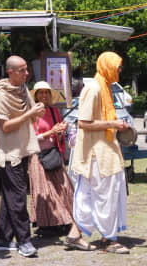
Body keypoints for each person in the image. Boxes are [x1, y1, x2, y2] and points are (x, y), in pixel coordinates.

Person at [71, 51, 130, 254]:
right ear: (107, 66)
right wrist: (113, 123)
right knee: (106, 196)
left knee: (90, 195)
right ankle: (109, 239)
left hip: (104, 152)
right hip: (97, 156)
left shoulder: (104, 87)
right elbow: (83, 122)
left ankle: (74, 234)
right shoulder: (94, 88)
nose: (120, 71)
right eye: (117, 66)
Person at [29, 81, 95, 250]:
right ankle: (49, 224)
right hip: (38, 157)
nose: (44, 96)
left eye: (46, 93)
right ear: (35, 95)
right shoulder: (32, 114)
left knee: (64, 188)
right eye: (40, 93)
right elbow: (29, 139)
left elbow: (59, 134)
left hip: (53, 155)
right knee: (45, 191)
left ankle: (66, 221)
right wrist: (51, 132)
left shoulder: (53, 110)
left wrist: (61, 130)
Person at [0, 55, 45, 257]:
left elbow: (32, 113)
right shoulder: (2, 96)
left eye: (27, 69)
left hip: (24, 151)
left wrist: (37, 111)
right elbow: (5, 127)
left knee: (9, 198)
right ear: (10, 72)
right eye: (22, 70)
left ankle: (1, 240)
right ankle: (24, 241)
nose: (27, 73)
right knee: (18, 200)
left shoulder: (22, 89)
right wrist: (29, 115)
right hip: (9, 155)